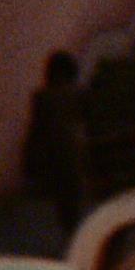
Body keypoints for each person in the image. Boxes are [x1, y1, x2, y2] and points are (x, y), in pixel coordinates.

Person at [22, 49, 89, 238]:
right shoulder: (78, 94)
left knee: (62, 197)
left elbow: (36, 129)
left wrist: (30, 157)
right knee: (74, 194)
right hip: (74, 148)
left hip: (54, 150)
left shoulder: (43, 97)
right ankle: (75, 231)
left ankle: (69, 231)